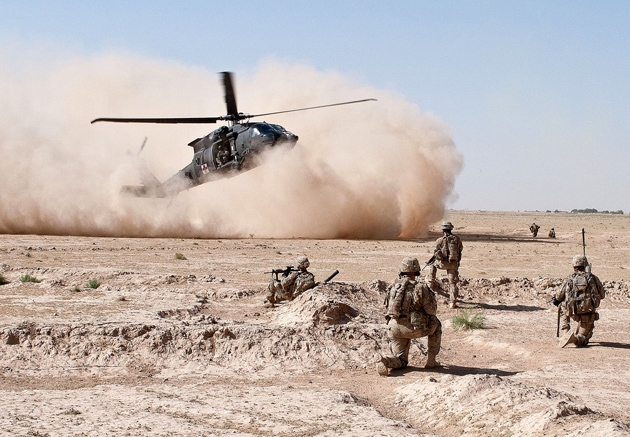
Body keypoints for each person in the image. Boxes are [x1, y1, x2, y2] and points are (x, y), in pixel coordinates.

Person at [376, 257, 442, 376]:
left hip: (395, 328)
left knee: (401, 360)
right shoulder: (421, 287)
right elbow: (431, 311)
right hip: (415, 328)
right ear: (416, 271)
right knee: (437, 324)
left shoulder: (393, 286)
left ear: (401, 270)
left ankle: (385, 361)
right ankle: (431, 361)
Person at [553, 255, 605, 348]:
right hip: (587, 314)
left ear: (574, 266)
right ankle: (574, 339)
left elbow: (559, 296)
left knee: (562, 305)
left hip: (572, 312)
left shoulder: (569, 279)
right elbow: (602, 295)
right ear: (586, 265)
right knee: (583, 340)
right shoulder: (593, 278)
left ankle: (565, 332)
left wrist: (557, 300)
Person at [429, 221, 463, 308]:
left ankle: (431, 283)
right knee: (452, 283)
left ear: (443, 230)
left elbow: (436, 252)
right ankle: (453, 302)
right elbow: (460, 250)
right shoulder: (457, 239)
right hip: (453, 264)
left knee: (432, 264)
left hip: (442, 264)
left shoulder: (439, 240)